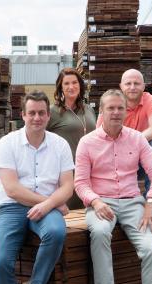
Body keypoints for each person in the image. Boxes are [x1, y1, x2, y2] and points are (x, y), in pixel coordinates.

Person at [75, 89, 152, 284]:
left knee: (151, 249)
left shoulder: (137, 139)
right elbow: (80, 182)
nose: (116, 112)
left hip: (132, 203)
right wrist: (95, 202)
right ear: (101, 112)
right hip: (101, 202)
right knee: (100, 232)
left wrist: (151, 201)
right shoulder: (87, 142)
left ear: (126, 111)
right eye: (111, 108)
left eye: (120, 108)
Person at [0, 91, 74, 284]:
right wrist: (49, 202)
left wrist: (49, 204)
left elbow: (68, 186)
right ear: (23, 115)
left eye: (41, 113)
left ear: (48, 116)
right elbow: (12, 189)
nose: (37, 118)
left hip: (46, 207)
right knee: (0, 263)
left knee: (56, 232)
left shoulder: (60, 145)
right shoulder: (7, 143)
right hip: (12, 207)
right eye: (32, 113)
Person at [96, 69, 152, 195]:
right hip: (117, 156)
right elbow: (98, 135)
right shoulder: (113, 101)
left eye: (136, 83)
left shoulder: (150, 100)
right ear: (121, 86)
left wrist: (131, 141)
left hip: (142, 155)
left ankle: (150, 196)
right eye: (128, 83)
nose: (132, 87)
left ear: (143, 86)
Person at [47, 67, 96, 209]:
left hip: (91, 169)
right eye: (66, 83)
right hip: (67, 172)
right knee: (70, 212)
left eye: (74, 82)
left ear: (80, 85)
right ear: (60, 88)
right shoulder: (52, 111)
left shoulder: (89, 109)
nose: (71, 87)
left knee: (90, 209)